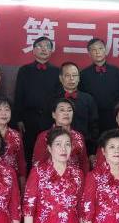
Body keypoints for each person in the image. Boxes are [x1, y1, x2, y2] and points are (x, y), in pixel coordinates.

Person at [14, 36, 61, 164]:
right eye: (40, 46)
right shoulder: (24, 70)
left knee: (49, 150)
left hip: (50, 118)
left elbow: (59, 97)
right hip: (29, 118)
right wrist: (18, 119)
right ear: (34, 50)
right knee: (29, 150)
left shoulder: (57, 71)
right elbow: (19, 94)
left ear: (51, 51)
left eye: (47, 46)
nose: (44, 49)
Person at [78, 37, 119, 138]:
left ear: (105, 50)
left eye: (100, 48)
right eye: (93, 50)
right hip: (92, 118)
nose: (97, 52)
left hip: (112, 117)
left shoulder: (116, 72)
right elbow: (82, 97)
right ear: (89, 53)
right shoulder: (83, 74)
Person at [31, 99, 90, 172]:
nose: (66, 113)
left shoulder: (79, 136)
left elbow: (84, 163)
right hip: (51, 177)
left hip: (76, 177)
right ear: (54, 115)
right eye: (62, 110)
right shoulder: (45, 136)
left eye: (69, 110)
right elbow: (37, 164)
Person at [0, 97, 27, 189]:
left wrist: (22, 183)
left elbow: (21, 161)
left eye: (7, 109)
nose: (4, 113)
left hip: (12, 182)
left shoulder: (16, 135)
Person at [56, 61, 98, 149]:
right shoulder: (53, 99)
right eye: (67, 75)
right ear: (61, 78)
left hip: (84, 146)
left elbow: (94, 127)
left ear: (79, 78)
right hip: (58, 146)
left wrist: (92, 151)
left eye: (74, 75)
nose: (71, 78)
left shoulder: (88, 99)